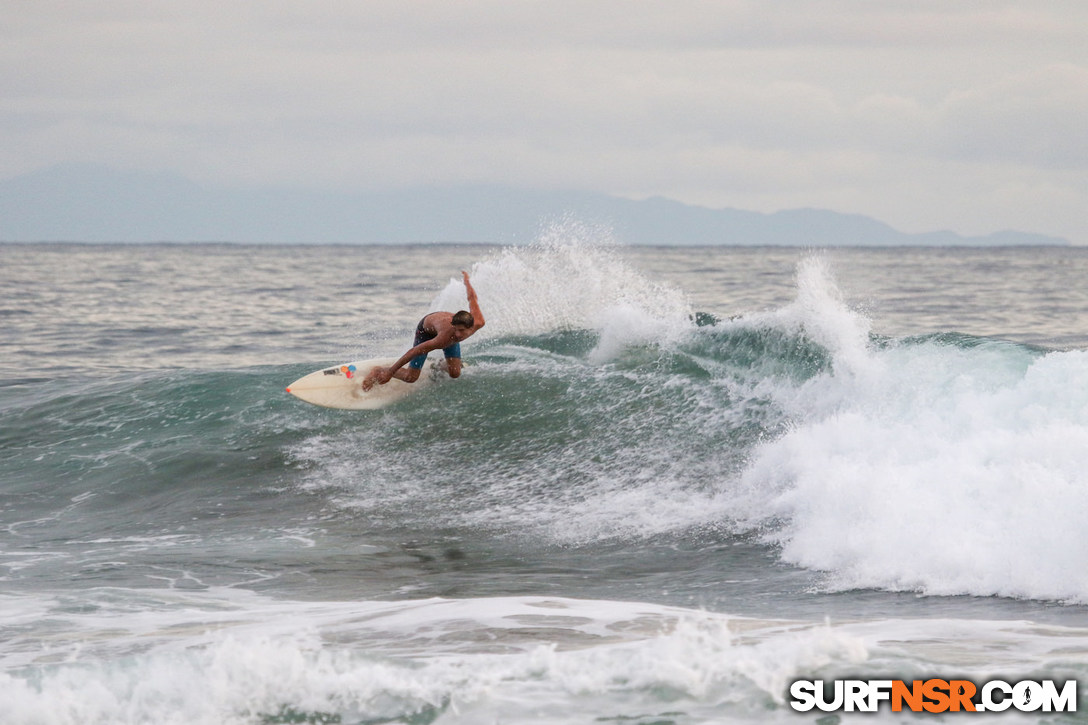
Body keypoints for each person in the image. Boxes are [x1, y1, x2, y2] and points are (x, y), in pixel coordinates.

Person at [362, 270, 485, 390]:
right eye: (456, 329)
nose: (458, 334)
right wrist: (390, 372)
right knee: (410, 377)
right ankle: (379, 370)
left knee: (455, 373)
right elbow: (415, 351)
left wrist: (467, 282)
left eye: (462, 331)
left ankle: (437, 366)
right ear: (453, 325)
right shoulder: (444, 338)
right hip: (426, 331)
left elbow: (472, 298)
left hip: (443, 330)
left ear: (471, 326)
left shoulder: (478, 322)